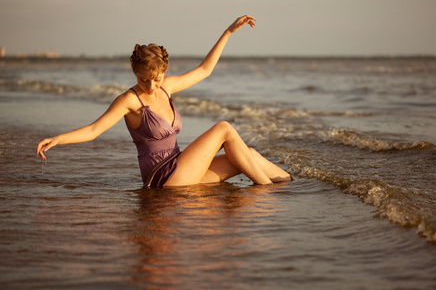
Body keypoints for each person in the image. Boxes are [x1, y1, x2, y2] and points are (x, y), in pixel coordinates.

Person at [36, 15, 292, 188]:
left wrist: (228, 32)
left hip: (182, 169)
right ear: (135, 73)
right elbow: (93, 130)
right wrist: (59, 138)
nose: (150, 86)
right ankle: (267, 193)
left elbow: (204, 70)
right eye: (143, 79)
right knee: (224, 128)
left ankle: (291, 183)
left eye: (156, 79)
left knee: (250, 155)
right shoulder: (130, 100)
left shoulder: (166, 88)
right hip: (163, 178)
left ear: (164, 72)